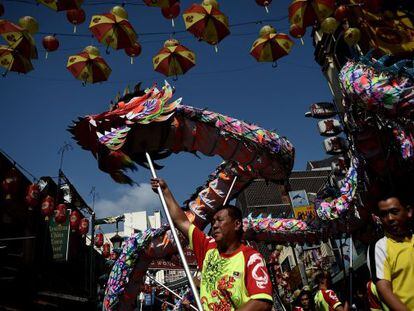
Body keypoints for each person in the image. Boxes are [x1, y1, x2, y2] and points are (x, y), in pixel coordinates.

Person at [151, 178, 273, 311]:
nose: (214, 225)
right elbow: (182, 221)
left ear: (237, 224)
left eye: (220, 220)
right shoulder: (208, 247)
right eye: (213, 222)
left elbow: (262, 301)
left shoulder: (251, 258)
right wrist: (165, 192)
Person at [367, 195, 414, 311]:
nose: (390, 218)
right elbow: (384, 290)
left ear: (408, 212)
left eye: (394, 212)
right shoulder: (379, 247)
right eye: (384, 214)